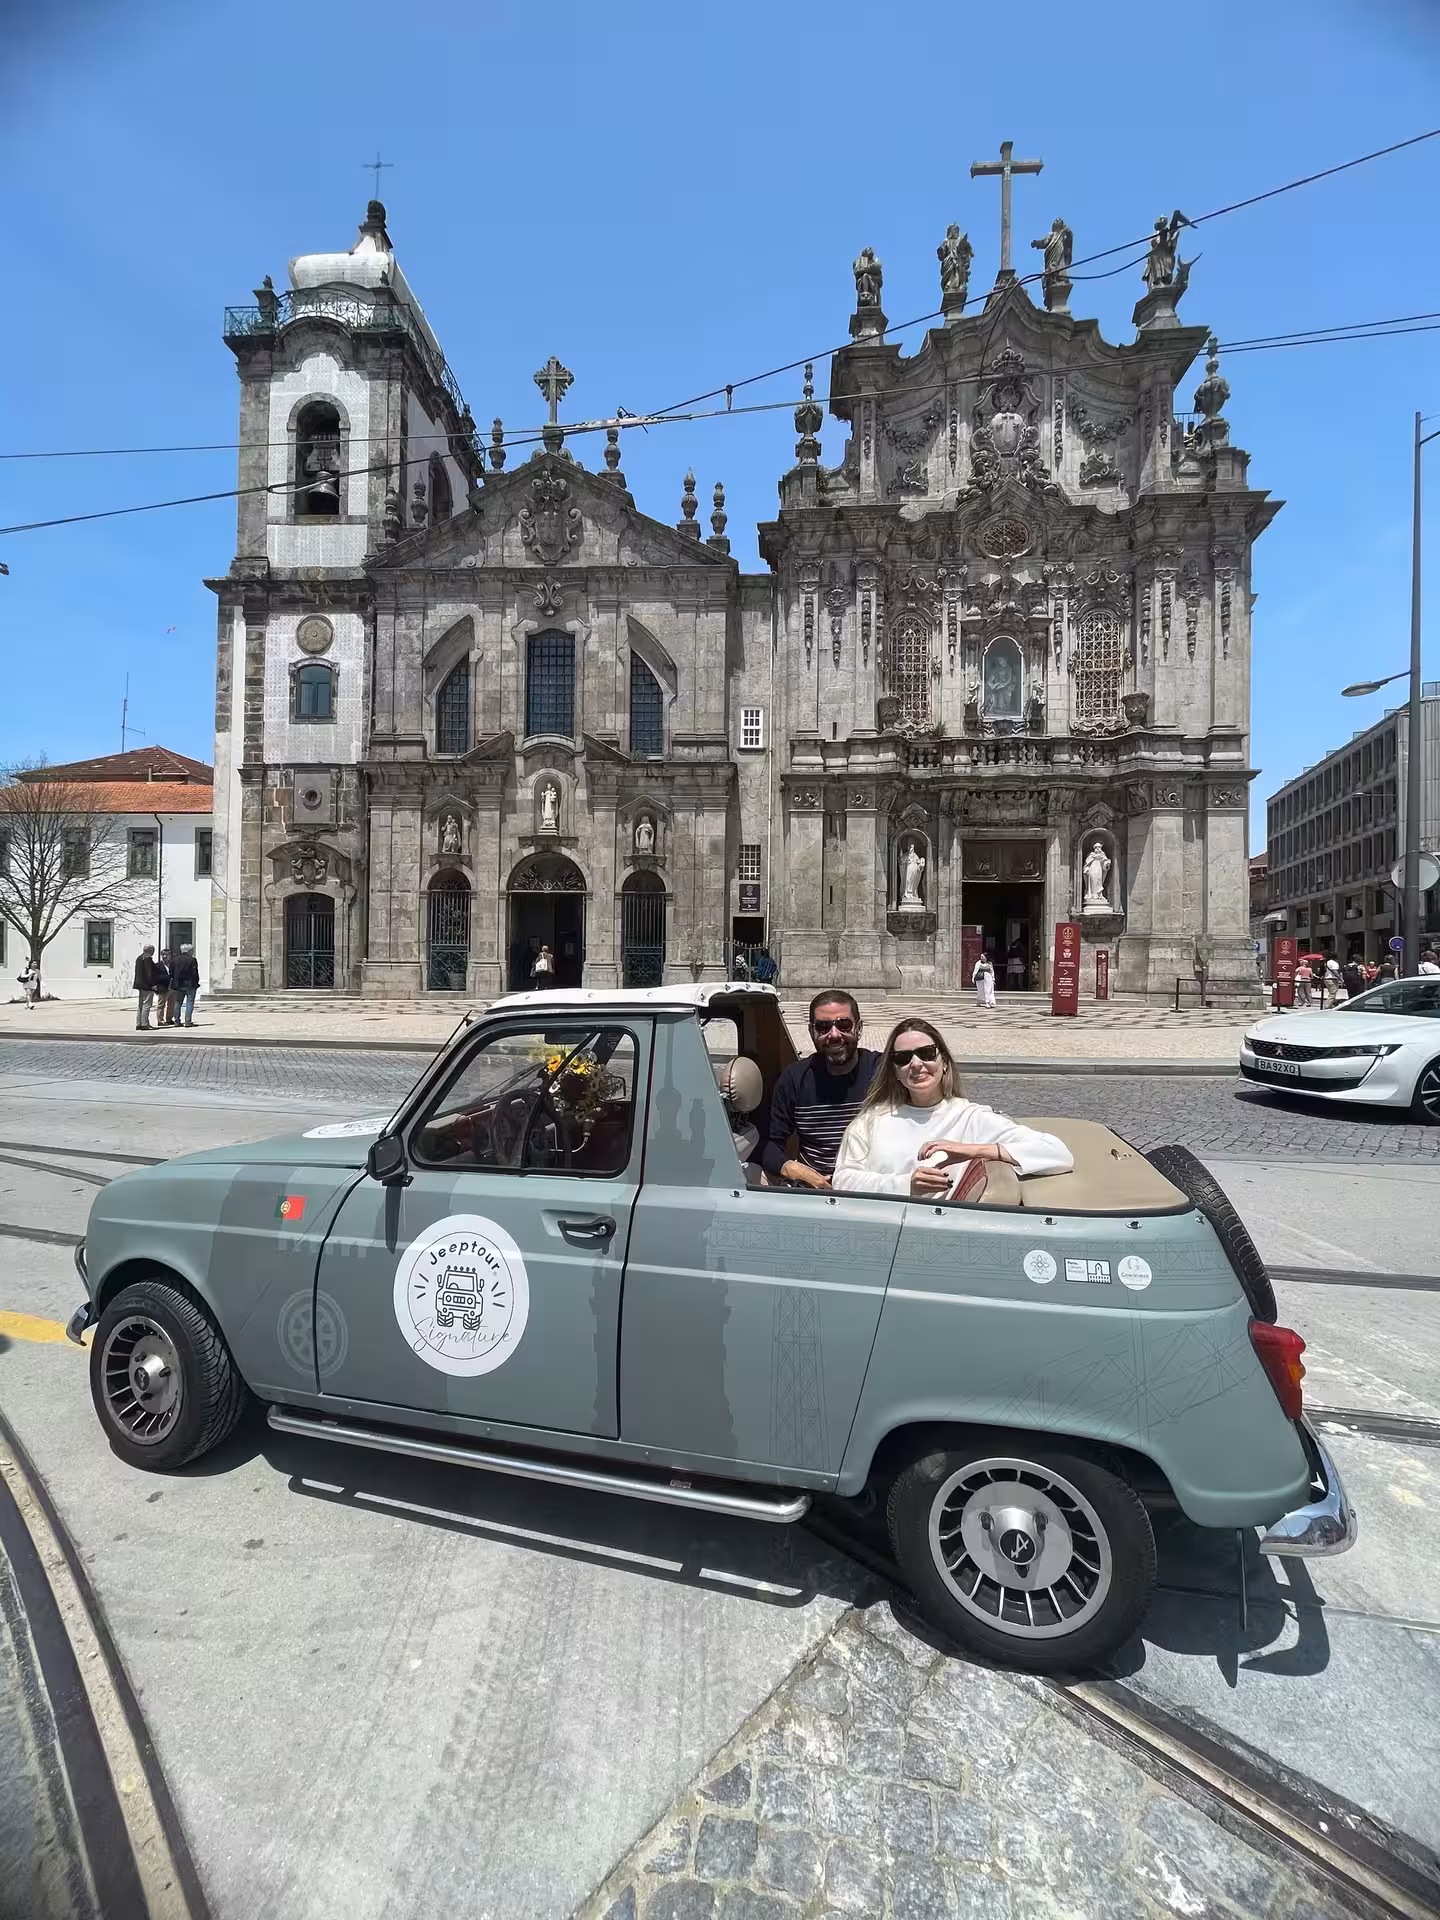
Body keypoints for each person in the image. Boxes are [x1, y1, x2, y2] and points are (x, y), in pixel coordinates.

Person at [833, 1019, 1073, 1195]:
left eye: (926, 1053)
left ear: (944, 1062)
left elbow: (1057, 1153)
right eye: (903, 1058)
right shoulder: (871, 1122)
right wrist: (906, 1184)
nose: (916, 1064)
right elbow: (843, 1180)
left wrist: (971, 1150)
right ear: (894, 1072)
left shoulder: (971, 1117)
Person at [762, 991, 881, 1191]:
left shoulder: (880, 1071)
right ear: (811, 1032)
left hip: (871, 1185)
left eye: (844, 1025)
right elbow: (770, 1144)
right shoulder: (795, 1078)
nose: (834, 1035)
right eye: (823, 1027)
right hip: (813, 1186)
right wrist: (794, 1169)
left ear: (859, 1028)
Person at [172, 944, 201, 1027]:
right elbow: (195, 973)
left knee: (178, 1002)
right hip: (190, 984)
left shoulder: (175, 960)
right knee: (189, 1003)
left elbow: (172, 972)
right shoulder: (192, 960)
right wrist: (196, 982)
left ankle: (177, 1021)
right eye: (192, 950)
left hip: (178, 984)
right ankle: (188, 1021)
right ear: (188, 951)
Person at [133, 944, 157, 1030]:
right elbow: (149, 973)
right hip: (147, 985)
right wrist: (152, 985)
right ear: (150, 950)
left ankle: (139, 1023)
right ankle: (144, 1024)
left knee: (140, 1005)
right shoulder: (147, 959)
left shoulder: (139, 958)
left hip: (139, 984)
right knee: (146, 1005)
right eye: (153, 950)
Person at [152, 949, 174, 1026]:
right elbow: (155, 977)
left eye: (166, 955)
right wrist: (167, 977)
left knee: (171, 1004)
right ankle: (160, 1020)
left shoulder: (172, 965)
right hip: (162, 987)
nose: (165, 956)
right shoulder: (157, 965)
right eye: (163, 955)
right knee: (161, 1004)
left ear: (170, 956)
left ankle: (169, 1019)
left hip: (172, 987)